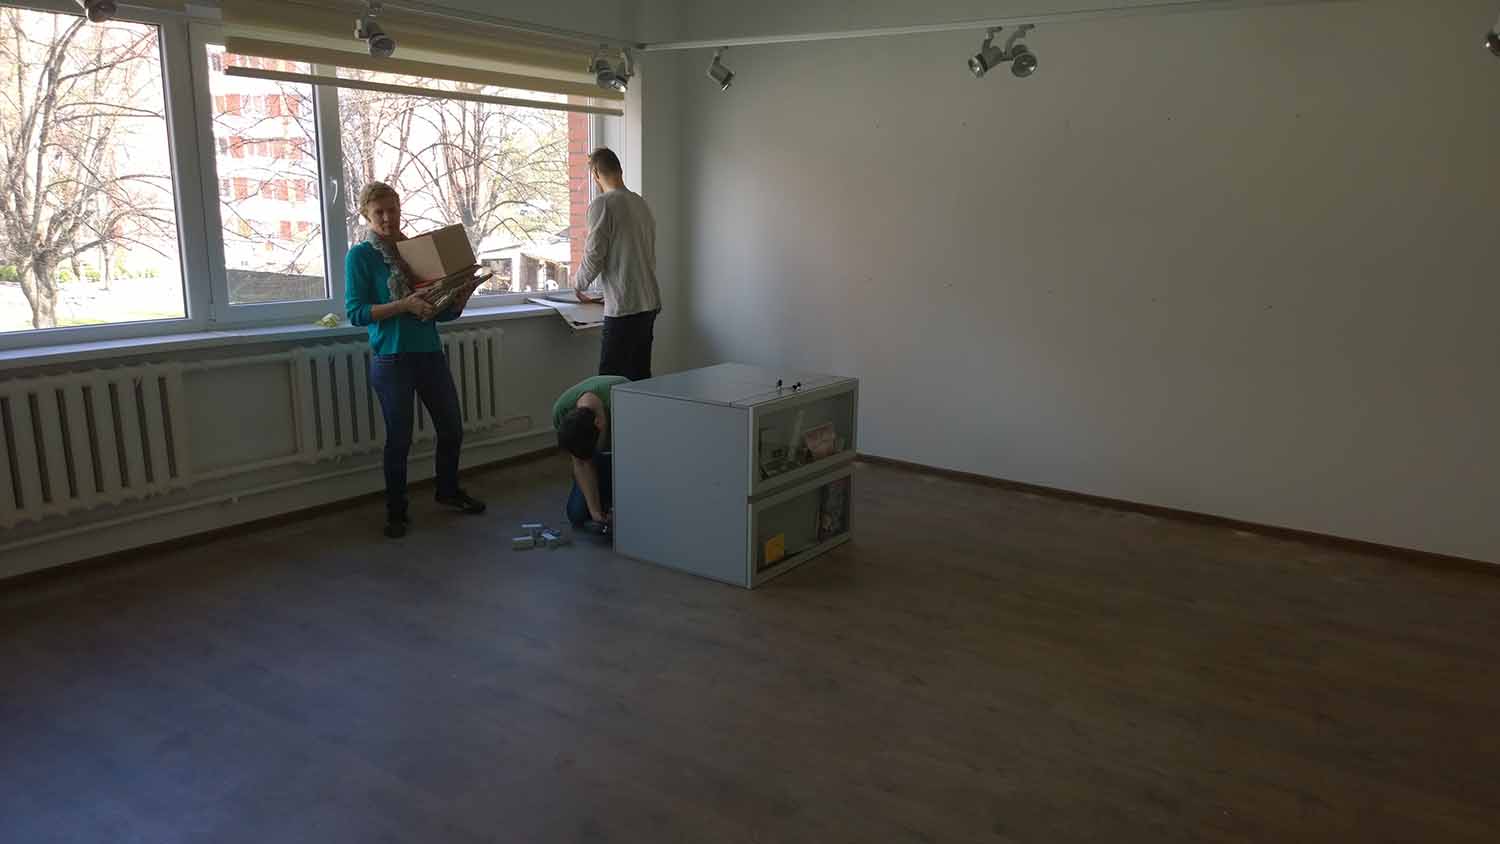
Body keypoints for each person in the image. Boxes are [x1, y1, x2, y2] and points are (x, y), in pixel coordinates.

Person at [346, 181, 486, 539]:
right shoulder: (360, 256)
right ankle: (396, 511)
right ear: (366, 215)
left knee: (451, 428)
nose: (387, 218)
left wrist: (459, 299)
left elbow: (439, 313)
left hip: (428, 353)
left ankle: (448, 491)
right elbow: (356, 313)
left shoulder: (417, 252)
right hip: (391, 358)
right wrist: (402, 305)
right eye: (379, 212)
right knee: (399, 440)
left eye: (392, 210)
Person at [574, 147, 661, 381]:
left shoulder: (603, 204)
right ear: (619, 170)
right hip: (648, 303)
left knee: (609, 382)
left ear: (595, 174)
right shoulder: (640, 203)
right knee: (639, 380)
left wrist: (578, 284)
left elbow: (594, 254)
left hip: (625, 307)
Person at [553, 374, 629, 531]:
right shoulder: (562, 410)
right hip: (601, 459)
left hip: (625, 458)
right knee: (577, 514)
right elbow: (581, 463)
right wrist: (595, 513)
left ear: (599, 424)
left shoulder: (624, 401)